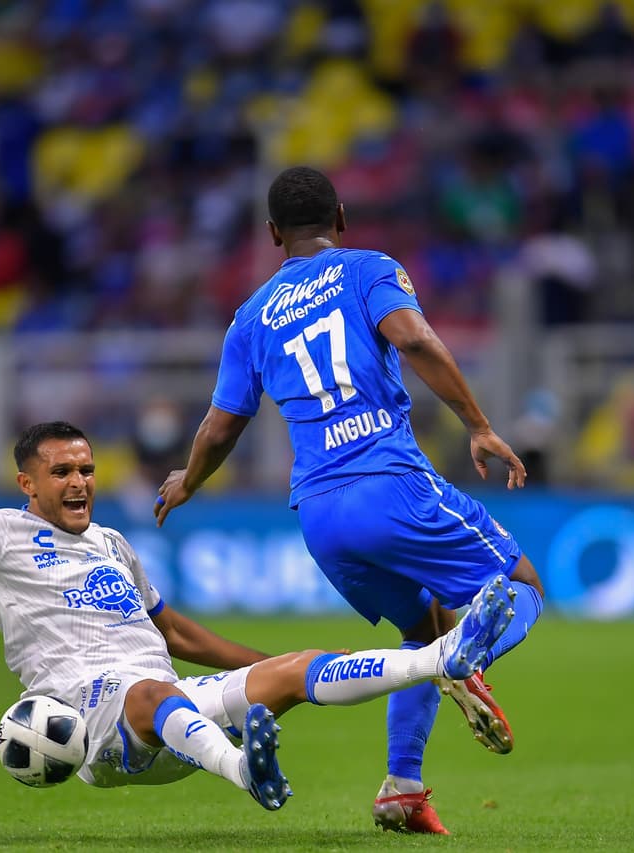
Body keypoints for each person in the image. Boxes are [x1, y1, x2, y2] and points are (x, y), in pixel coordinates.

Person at [0, 420, 515, 818]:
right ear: (27, 483)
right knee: (149, 694)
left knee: (295, 665)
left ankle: (443, 655)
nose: (79, 482)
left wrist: (261, 668)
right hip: (101, 721)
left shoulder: (114, 544)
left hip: (165, 700)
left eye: (87, 468)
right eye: (62, 472)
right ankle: (244, 773)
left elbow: (179, 634)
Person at [155, 166, 546, 834]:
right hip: (389, 481)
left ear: (274, 233)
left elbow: (222, 425)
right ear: (340, 216)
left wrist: (188, 481)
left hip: (320, 515)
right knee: (521, 583)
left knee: (421, 627)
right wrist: (478, 424)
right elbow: (415, 337)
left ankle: (403, 787)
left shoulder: (249, 318)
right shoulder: (368, 268)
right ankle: (466, 661)